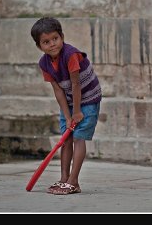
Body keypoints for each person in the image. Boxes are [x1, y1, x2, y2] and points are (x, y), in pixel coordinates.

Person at [31, 17, 102, 195]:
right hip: (69, 100)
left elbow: (76, 84)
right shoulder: (44, 63)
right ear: (40, 46)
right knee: (66, 137)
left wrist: (77, 112)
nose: (52, 44)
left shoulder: (71, 55)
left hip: (88, 98)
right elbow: (58, 90)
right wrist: (68, 115)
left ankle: (74, 181)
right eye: (46, 42)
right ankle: (64, 178)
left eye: (55, 38)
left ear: (62, 36)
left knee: (78, 137)